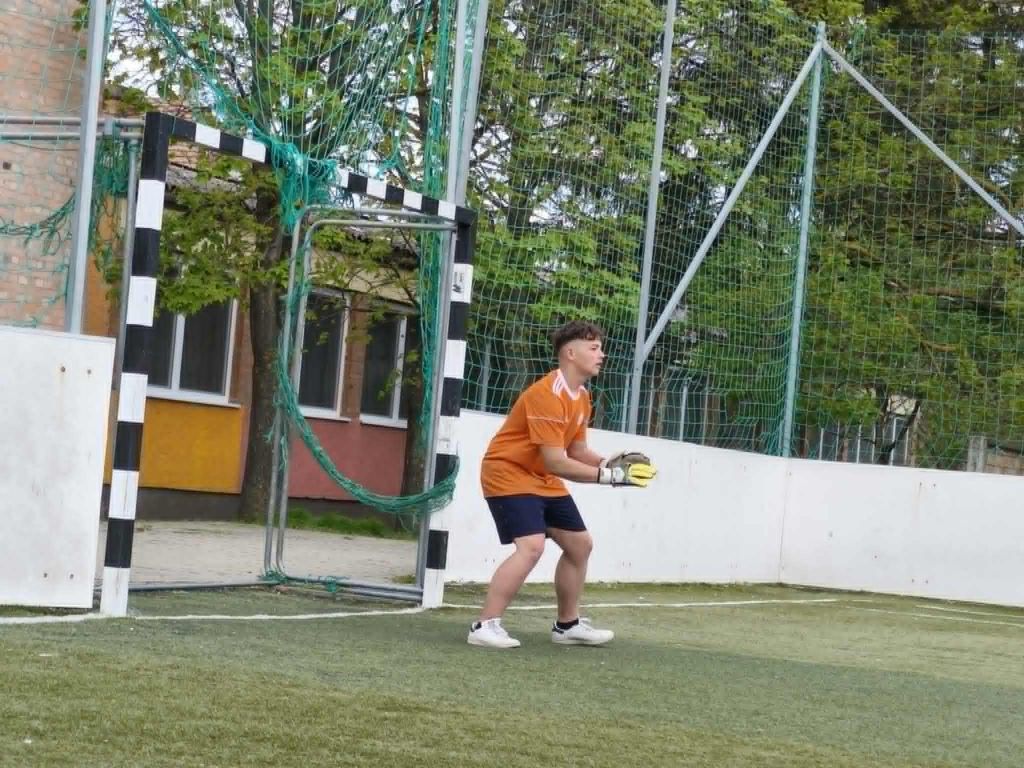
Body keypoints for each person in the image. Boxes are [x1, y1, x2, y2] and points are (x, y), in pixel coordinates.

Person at [467, 320, 656, 649]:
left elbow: (577, 451)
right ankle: (484, 625)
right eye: (594, 348)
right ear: (570, 353)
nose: (602, 354)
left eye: (600, 348)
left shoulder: (581, 396)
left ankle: (567, 626)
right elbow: (556, 461)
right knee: (532, 547)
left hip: (542, 477)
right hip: (508, 472)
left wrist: (609, 463)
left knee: (580, 545)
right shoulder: (547, 394)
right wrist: (611, 477)